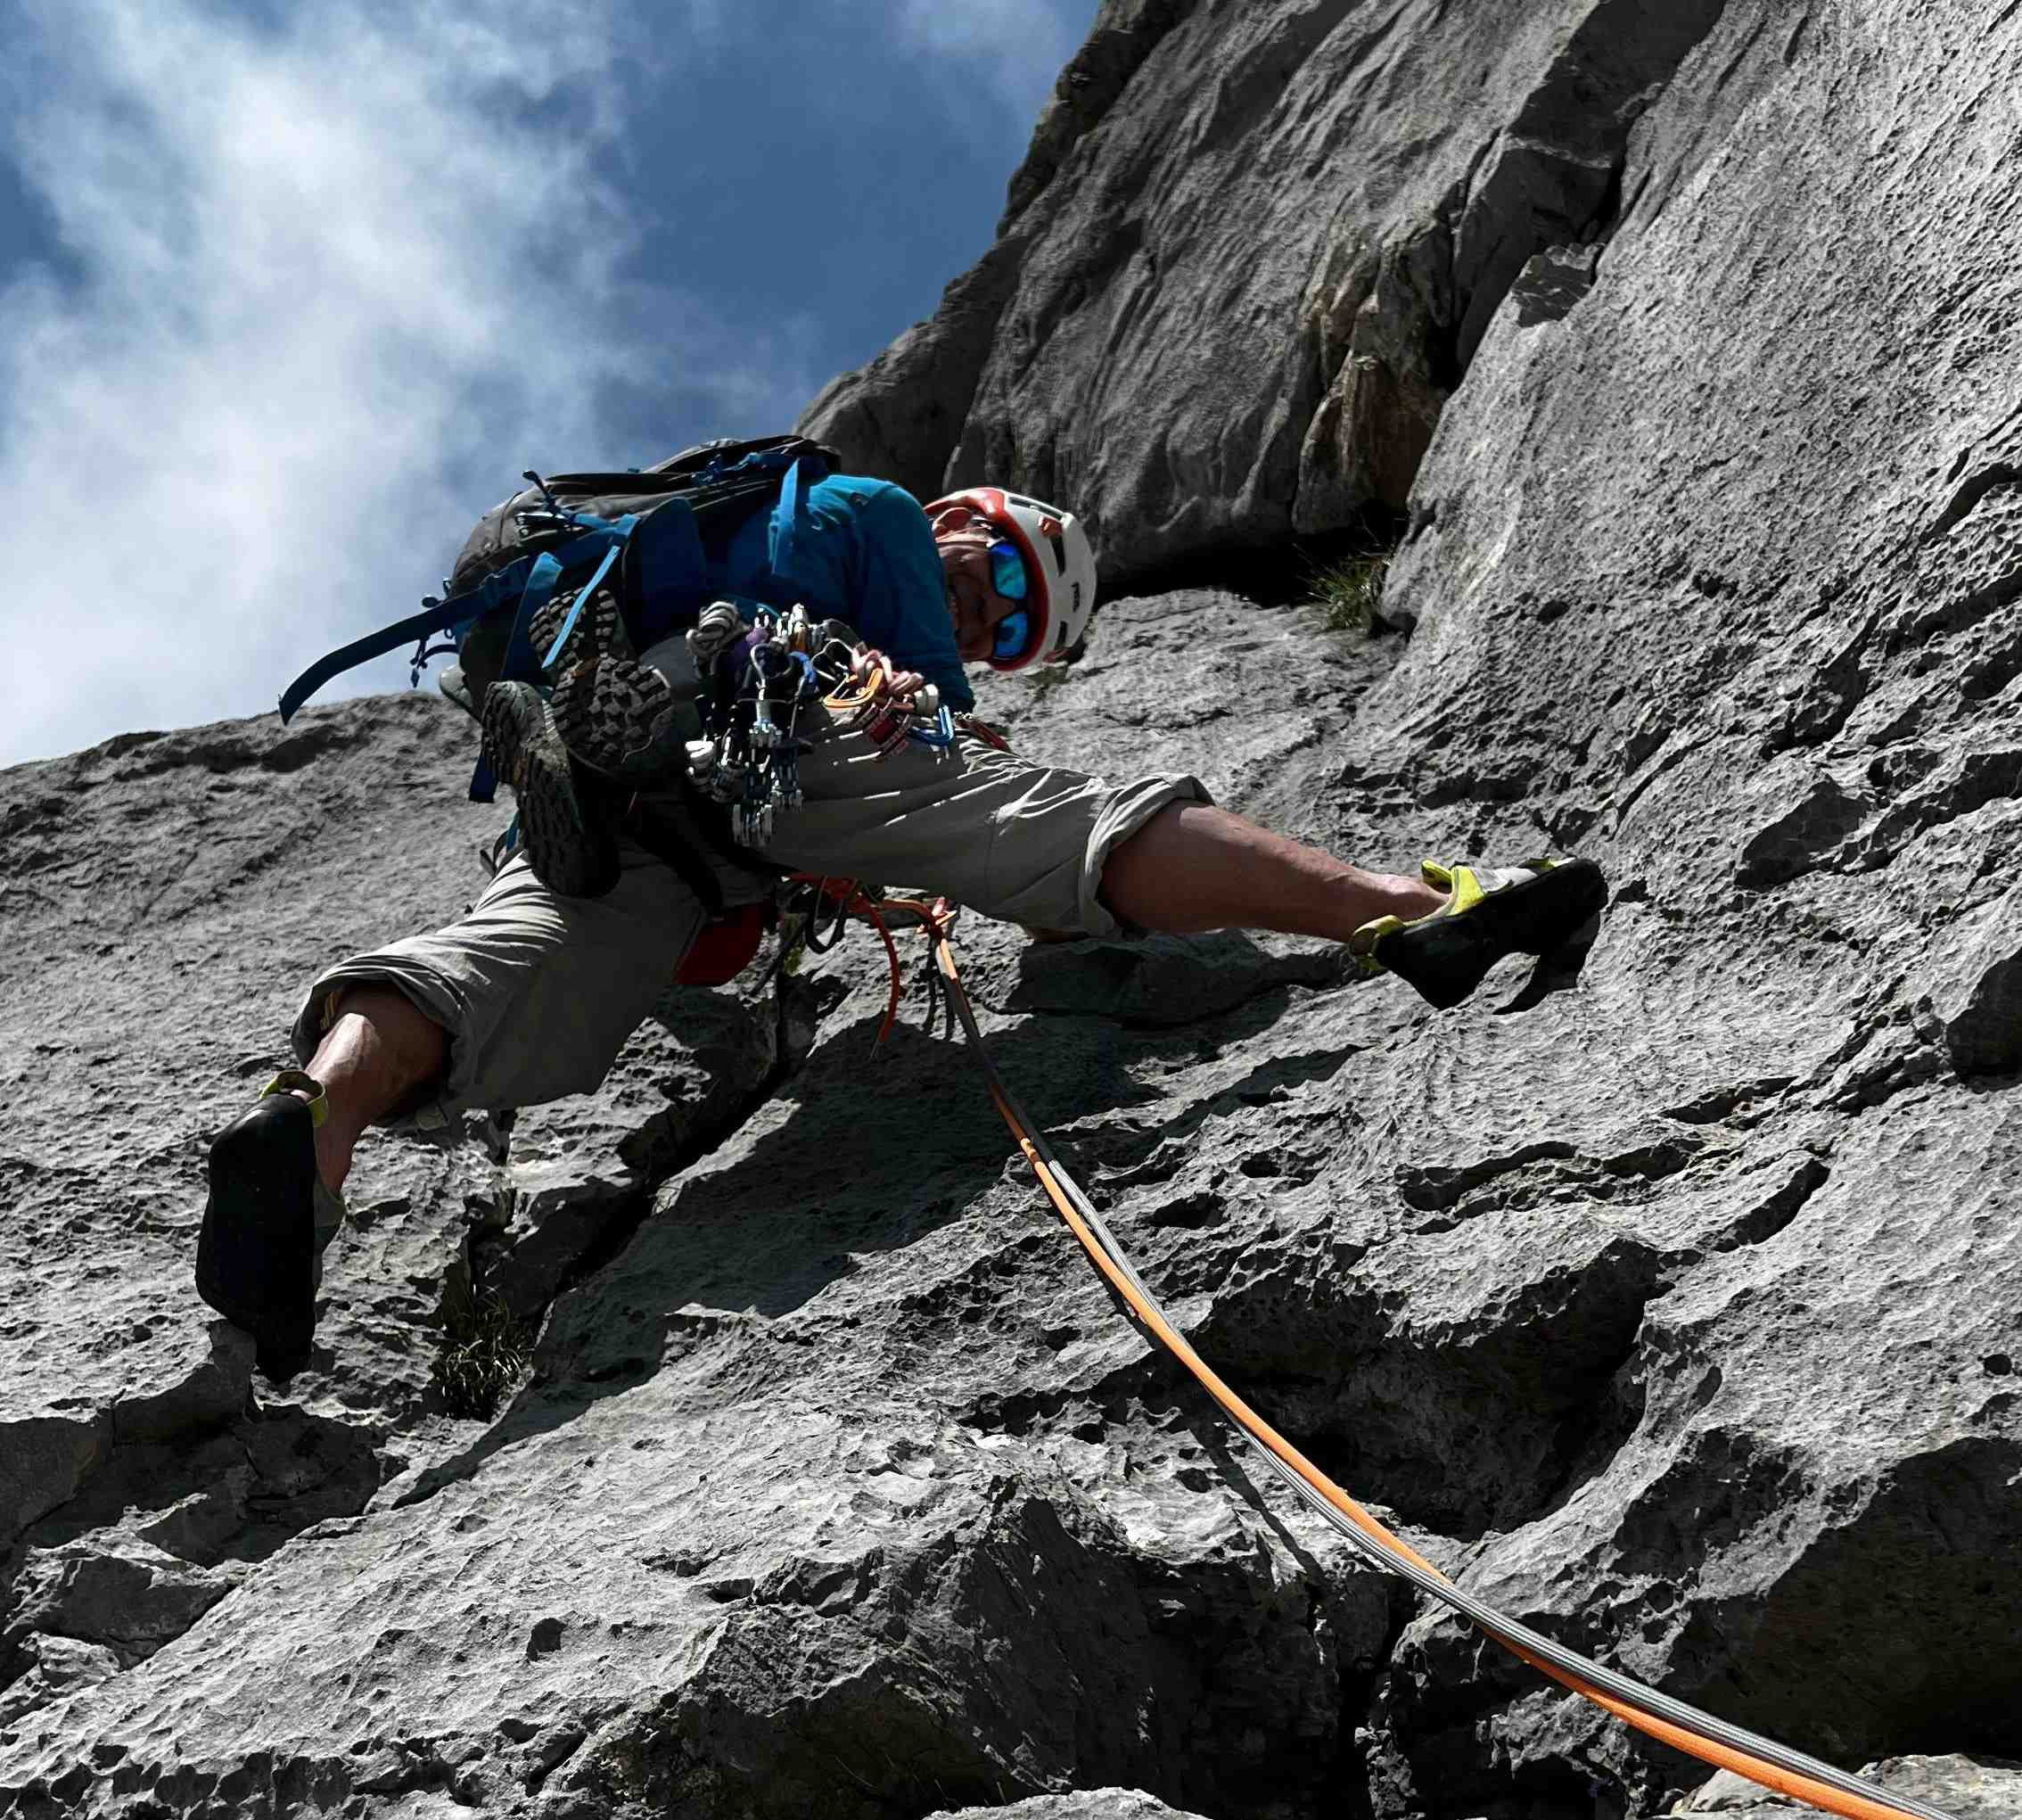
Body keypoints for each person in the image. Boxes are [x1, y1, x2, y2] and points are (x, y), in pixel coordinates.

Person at [195, 470, 1605, 1374]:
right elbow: (950, 771)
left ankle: (309, 1134)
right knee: (1035, 819)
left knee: (519, 964)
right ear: (962, 514)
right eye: (997, 569)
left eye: (1004, 619)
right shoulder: (864, 511)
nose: (982, 601)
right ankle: (1409, 908)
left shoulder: (758, 536)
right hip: (769, 690)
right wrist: (984, 813)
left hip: (669, 813)